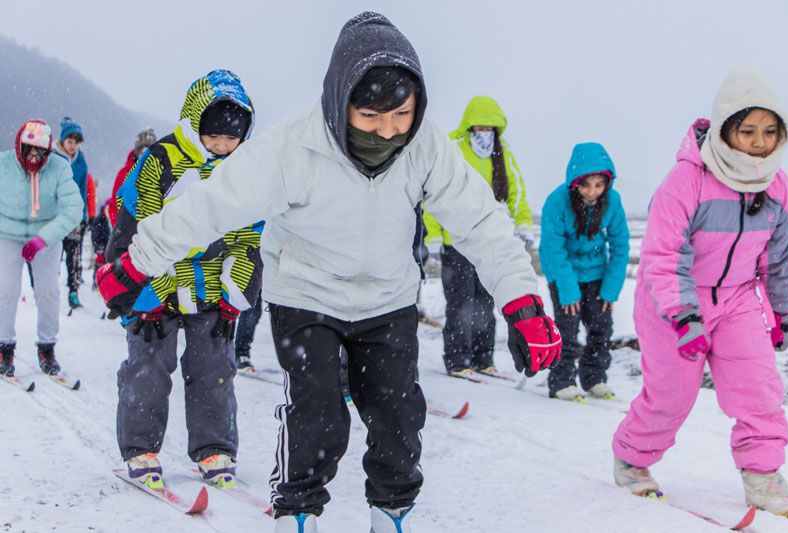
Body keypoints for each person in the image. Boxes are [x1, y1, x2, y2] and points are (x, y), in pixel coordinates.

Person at [96, 12, 561, 533]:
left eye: (401, 115)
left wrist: (523, 303)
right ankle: (296, 514)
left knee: (399, 420)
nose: (388, 131)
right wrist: (137, 262)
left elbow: (481, 222)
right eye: (370, 116)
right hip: (306, 294)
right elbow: (210, 205)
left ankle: (390, 516)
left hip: (389, 298)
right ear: (341, 100)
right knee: (317, 414)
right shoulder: (292, 146)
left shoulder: (425, 146)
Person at [611, 68, 788, 520]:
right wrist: (684, 316)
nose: (760, 141)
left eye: (770, 131)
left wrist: (784, 314)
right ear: (725, 129)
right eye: (749, 130)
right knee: (671, 396)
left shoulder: (778, 188)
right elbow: (663, 254)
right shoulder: (688, 181)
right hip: (672, 303)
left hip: (736, 301)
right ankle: (632, 459)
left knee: (759, 390)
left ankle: (763, 474)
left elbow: (783, 259)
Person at [102, 70, 262, 491]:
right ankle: (140, 448)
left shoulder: (242, 169)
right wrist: (141, 295)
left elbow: (248, 238)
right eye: (215, 137)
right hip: (157, 290)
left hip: (211, 290)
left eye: (233, 139)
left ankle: (215, 448)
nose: (223, 146)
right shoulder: (161, 161)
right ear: (196, 123)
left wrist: (235, 294)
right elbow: (138, 225)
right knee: (147, 370)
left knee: (215, 371)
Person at [423, 95, 535, 378]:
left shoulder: (503, 153)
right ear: (469, 127)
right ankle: (458, 359)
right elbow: (433, 195)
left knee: (486, 302)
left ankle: (484, 358)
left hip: (489, 244)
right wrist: (433, 235)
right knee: (460, 302)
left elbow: (515, 192)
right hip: (456, 243)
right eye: (479, 129)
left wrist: (523, 224)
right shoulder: (454, 149)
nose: (484, 135)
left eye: (489, 129)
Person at [539, 142, 629, 401]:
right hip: (563, 271)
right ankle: (561, 381)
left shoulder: (613, 202)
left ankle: (594, 378)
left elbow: (621, 247)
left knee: (601, 327)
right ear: (575, 183)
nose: (592, 192)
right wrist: (567, 290)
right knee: (567, 328)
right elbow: (553, 249)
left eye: (599, 185)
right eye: (586, 185)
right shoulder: (556, 202)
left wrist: (610, 289)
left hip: (596, 272)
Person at [0, 120, 82, 377]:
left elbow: (73, 210)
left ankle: (47, 346)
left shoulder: (59, 168)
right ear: (19, 147)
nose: (34, 157)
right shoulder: (3, 165)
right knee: (6, 290)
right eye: (28, 150)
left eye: (40, 152)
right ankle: (4, 346)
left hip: (45, 237)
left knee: (48, 292)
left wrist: (42, 239)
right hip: (7, 234)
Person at [53, 117, 91, 309]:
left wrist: (84, 213)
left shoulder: (80, 159)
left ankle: (73, 291)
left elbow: (83, 188)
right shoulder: (53, 156)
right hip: (55, 215)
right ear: (62, 140)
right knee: (53, 255)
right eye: (70, 142)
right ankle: (48, 290)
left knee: (74, 254)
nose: (73, 146)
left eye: (76, 142)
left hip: (74, 215)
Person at [109, 128, 157, 228]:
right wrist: (117, 228)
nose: (145, 156)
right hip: (127, 228)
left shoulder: (160, 173)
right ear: (137, 153)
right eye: (142, 153)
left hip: (151, 230)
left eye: (149, 153)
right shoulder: (124, 174)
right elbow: (114, 204)